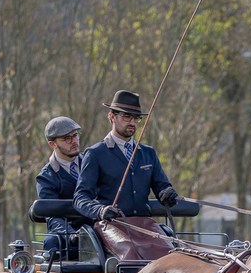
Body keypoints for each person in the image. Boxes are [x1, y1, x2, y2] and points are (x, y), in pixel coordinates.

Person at [73, 90, 179, 223]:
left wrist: (167, 193)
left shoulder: (148, 153)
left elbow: (162, 187)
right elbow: (80, 197)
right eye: (127, 116)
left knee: (171, 244)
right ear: (112, 116)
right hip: (111, 226)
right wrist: (100, 210)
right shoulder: (95, 154)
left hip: (145, 226)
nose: (132, 122)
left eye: (136, 118)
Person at [36, 116, 86, 257]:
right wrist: (71, 235)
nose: (74, 141)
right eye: (67, 138)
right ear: (52, 144)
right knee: (52, 242)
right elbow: (52, 217)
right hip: (68, 234)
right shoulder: (46, 178)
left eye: (75, 135)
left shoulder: (92, 164)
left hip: (98, 227)